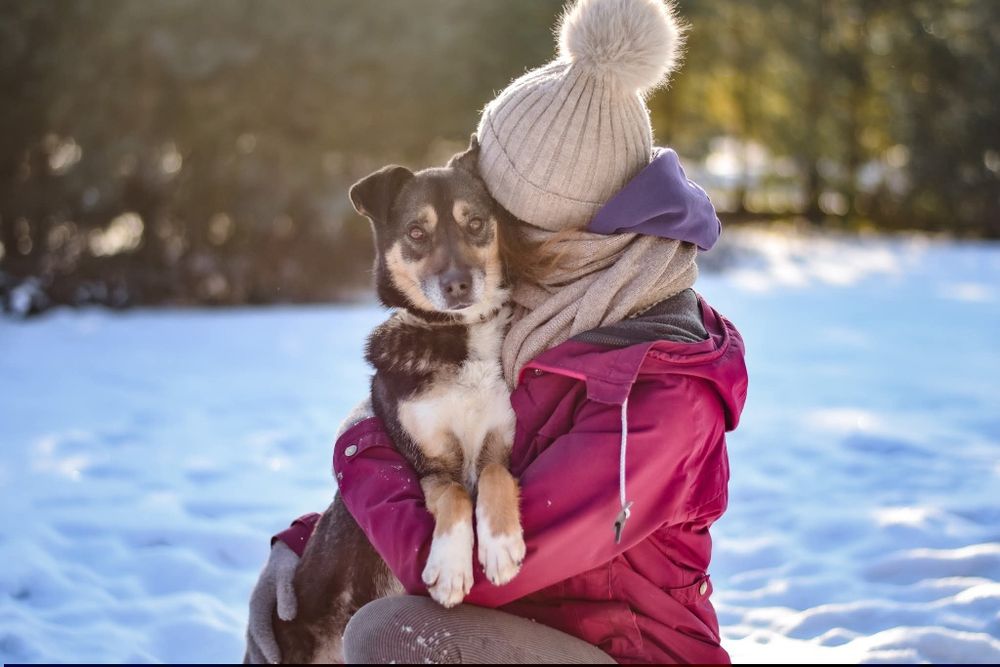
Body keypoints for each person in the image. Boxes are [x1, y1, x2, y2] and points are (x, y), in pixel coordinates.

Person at [245, 0, 747, 663]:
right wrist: (306, 545)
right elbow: (432, 456)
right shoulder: (541, 312)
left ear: (561, 232)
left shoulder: (662, 397)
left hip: (624, 654)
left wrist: (354, 442)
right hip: (519, 632)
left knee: (391, 635)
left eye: (489, 221)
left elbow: (477, 568)